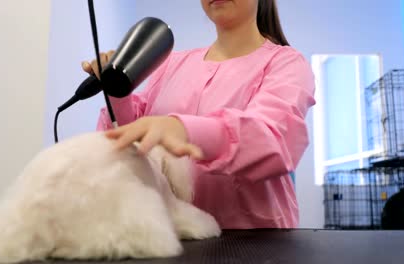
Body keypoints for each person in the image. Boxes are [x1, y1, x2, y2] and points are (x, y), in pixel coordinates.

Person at [82, 0, 316, 229]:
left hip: (253, 243)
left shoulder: (286, 63)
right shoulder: (171, 64)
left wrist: (182, 129)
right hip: (171, 237)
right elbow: (129, 139)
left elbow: (271, 138)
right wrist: (118, 90)